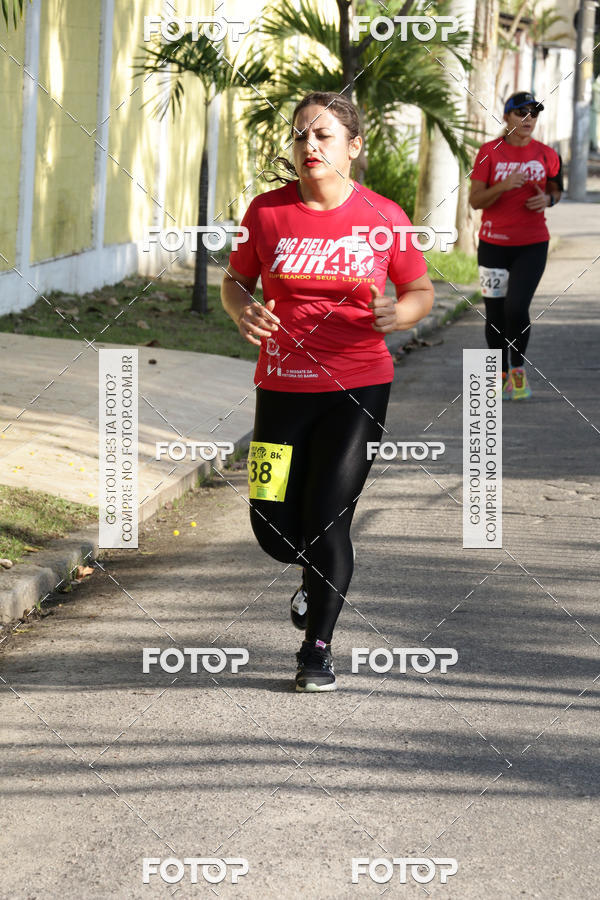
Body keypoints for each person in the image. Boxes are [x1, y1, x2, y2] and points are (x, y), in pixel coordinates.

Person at [221, 92, 434, 692]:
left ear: (353, 146)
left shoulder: (383, 216)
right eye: (300, 137)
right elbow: (235, 282)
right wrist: (242, 311)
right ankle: (313, 579)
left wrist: (403, 313)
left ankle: (317, 648)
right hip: (280, 386)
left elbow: (419, 290)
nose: (309, 147)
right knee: (270, 525)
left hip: (358, 386)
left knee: (327, 518)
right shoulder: (267, 213)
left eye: (323, 136)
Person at [469, 90, 563, 400]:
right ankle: (498, 374)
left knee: (517, 306)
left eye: (534, 113)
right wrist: (504, 185)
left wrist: (547, 199)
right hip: (493, 245)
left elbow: (556, 190)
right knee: (495, 312)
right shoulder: (489, 152)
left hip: (532, 244)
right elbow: (475, 199)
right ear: (507, 116)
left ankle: (517, 371)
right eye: (521, 112)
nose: (528, 119)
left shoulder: (548, 154)